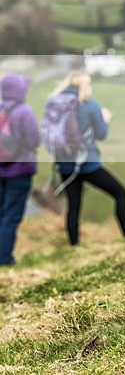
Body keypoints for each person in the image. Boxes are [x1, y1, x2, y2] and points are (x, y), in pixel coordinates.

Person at [51, 70, 125, 246]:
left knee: (73, 205)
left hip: (65, 164)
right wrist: (105, 119)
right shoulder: (90, 105)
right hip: (88, 164)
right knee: (120, 193)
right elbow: (101, 134)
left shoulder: (55, 105)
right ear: (85, 86)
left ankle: (74, 246)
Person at [0, 74, 41, 266]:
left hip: (1, 169)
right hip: (20, 169)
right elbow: (34, 141)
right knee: (12, 215)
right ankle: (4, 259)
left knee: (2, 212)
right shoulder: (24, 111)